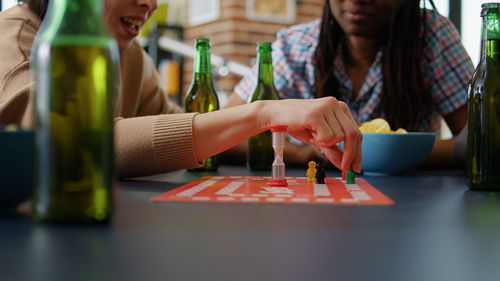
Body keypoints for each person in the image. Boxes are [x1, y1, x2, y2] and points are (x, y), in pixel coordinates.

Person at [0, 0, 363, 178]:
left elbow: (187, 130)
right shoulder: (18, 42)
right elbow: (71, 145)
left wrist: (298, 149)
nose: (151, 4)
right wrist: (265, 111)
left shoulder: (129, 57)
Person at [226, 0, 473, 168]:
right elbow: (224, 133)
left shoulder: (431, 35)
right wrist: (301, 153)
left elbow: (478, 139)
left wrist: (388, 152)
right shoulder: (295, 45)